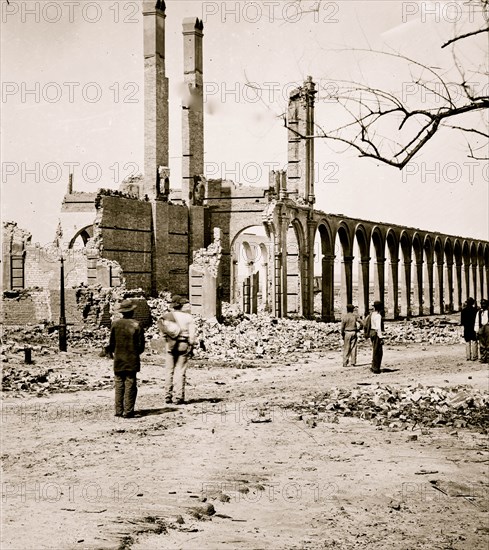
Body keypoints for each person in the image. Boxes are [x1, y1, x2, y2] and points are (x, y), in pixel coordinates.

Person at [106, 299, 145, 418]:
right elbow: (141, 346)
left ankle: (118, 410)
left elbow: (111, 344)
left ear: (122, 312)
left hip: (119, 359)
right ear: (132, 311)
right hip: (132, 359)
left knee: (119, 384)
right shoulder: (137, 325)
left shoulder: (115, 324)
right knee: (130, 384)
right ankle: (128, 411)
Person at [162, 295, 196, 405]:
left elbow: (163, 332)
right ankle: (178, 397)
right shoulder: (188, 318)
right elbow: (192, 336)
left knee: (169, 370)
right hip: (183, 344)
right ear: (181, 306)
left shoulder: (167, 316)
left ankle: (168, 395)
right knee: (180, 371)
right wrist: (191, 346)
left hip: (170, 345)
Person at [370, 301, 384, 374]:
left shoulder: (372, 314)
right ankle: (376, 368)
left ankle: (373, 366)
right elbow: (378, 328)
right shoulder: (378, 316)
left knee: (375, 350)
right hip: (376, 334)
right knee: (378, 351)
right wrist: (381, 337)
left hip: (372, 332)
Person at [475, 298, 489, 364]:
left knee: (488, 344)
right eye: (482, 304)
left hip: (488, 327)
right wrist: (476, 330)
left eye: (484, 304)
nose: (483, 305)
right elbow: (477, 321)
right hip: (481, 327)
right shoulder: (479, 312)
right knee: (482, 344)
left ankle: (488, 358)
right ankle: (483, 358)